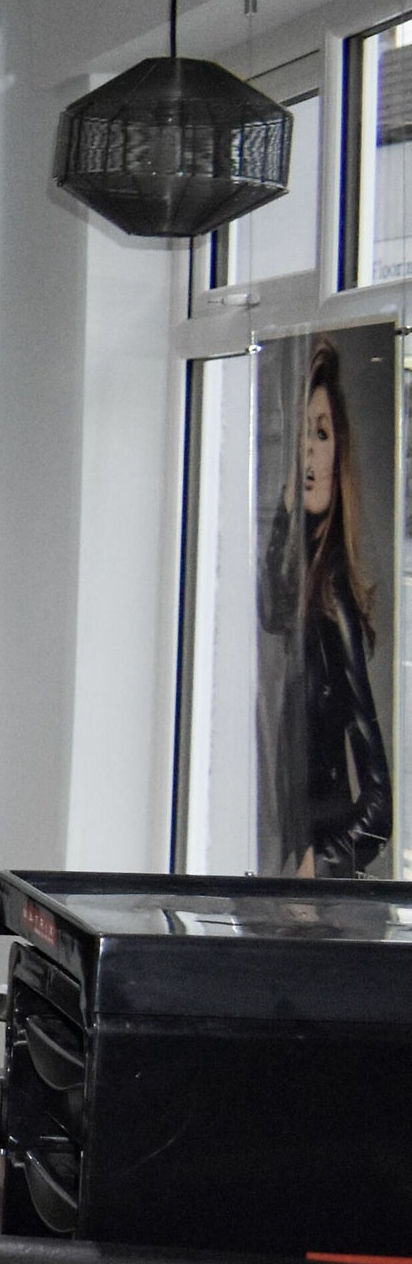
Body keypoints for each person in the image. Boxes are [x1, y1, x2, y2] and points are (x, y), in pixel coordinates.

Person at [271, 337, 391, 875]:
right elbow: (270, 610)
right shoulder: (303, 592)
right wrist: (284, 506)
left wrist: (322, 864)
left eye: (321, 434)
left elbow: (380, 805)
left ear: (340, 448)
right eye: (302, 435)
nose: (310, 454)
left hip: (316, 889)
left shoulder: (333, 598)